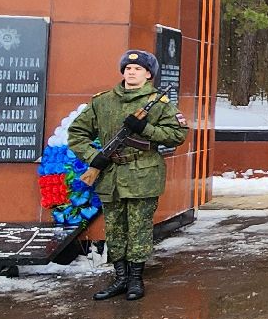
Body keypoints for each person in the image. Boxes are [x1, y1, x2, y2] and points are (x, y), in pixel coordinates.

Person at [70, 49, 190, 301]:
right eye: (127, 68)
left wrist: (145, 128)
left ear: (148, 74)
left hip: (142, 174)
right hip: (111, 175)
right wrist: (94, 158)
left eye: (137, 69)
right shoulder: (102, 101)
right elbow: (76, 133)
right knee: (115, 229)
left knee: (138, 228)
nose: (131, 72)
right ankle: (120, 278)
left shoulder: (160, 103)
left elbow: (176, 135)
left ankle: (135, 279)